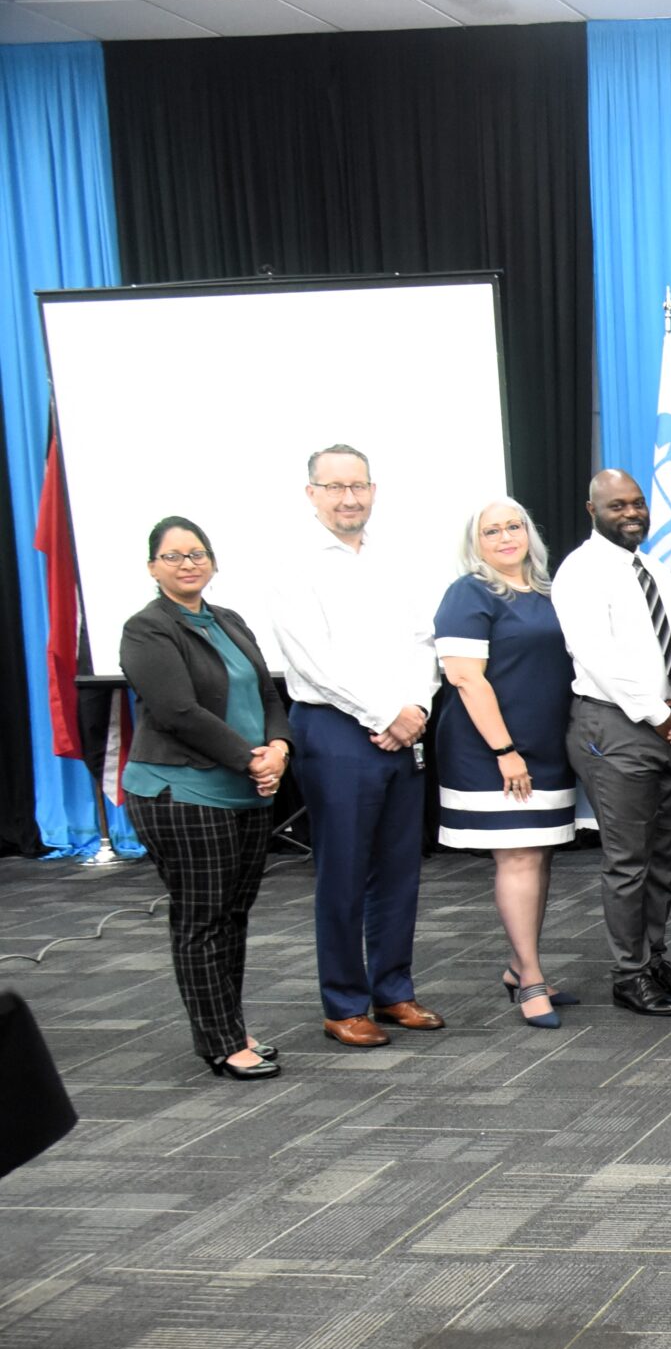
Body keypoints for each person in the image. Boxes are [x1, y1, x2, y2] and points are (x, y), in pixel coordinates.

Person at [270, 445, 443, 1049]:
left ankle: (393, 989)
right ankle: (344, 1003)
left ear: (373, 490)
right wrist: (386, 714)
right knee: (343, 873)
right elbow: (314, 660)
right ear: (311, 494)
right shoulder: (295, 564)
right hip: (336, 729)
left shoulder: (393, 557)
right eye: (335, 487)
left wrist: (416, 708)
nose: (349, 498)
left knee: (399, 870)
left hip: (404, 726)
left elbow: (423, 640)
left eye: (359, 486)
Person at [120, 517, 292, 1080]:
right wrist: (251, 759)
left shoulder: (229, 621)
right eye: (173, 556)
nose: (188, 563)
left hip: (245, 791)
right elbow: (178, 712)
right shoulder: (147, 629)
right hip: (183, 793)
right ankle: (219, 1042)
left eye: (197, 553)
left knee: (232, 916)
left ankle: (229, 1026)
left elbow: (267, 692)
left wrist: (279, 748)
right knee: (202, 920)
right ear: (153, 568)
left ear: (213, 562)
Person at [552, 468, 671, 1016]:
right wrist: (660, 714)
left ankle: (653, 956)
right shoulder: (580, 571)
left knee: (666, 855)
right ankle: (629, 973)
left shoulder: (654, 567)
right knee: (628, 861)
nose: (631, 513)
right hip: (615, 726)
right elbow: (597, 656)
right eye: (617, 505)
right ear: (592, 510)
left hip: (670, 724)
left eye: (637, 503)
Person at [431, 499, 578, 1028]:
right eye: (491, 531)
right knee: (517, 857)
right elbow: (465, 678)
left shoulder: (548, 592)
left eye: (513, 526)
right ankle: (531, 979)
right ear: (476, 543)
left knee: (538, 857)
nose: (505, 536)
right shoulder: (468, 593)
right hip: (492, 751)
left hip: (546, 746)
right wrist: (504, 751)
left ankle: (520, 966)